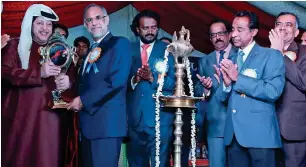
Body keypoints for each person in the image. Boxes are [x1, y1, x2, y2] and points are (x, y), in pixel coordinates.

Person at [1, 4, 78, 167]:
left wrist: (68, 82)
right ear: (30, 24)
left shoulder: (59, 49)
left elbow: (73, 77)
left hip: (51, 121)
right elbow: (5, 73)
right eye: (40, 23)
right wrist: (39, 73)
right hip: (21, 120)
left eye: (49, 24)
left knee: (48, 158)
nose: (45, 28)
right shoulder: (14, 45)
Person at [217, 11, 285, 167]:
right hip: (233, 137)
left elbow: (273, 91)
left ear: (253, 32)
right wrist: (226, 85)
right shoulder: (231, 60)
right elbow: (221, 99)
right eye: (232, 29)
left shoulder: (271, 55)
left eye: (239, 30)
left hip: (260, 137)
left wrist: (237, 79)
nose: (233, 34)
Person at [67, 4, 132, 167]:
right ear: (85, 25)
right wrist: (69, 83)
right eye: (89, 20)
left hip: (106, 126)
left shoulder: (120, 44)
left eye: (98, 18)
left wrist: (83, 100)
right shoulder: (90, 51)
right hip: (87, 126)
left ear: (107, 19)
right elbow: (87, 84)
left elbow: (115, 82)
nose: (94, 22)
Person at [126, 10, 175, 167]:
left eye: (153, 27)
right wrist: (135, 79)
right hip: (134, 119)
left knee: (159, 163)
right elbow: (118, 82)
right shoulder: (128, 49)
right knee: (136, 163)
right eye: (145, 28)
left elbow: (175, 83)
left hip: (160, 118)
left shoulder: (168, 50)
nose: (150, 31)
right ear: (137, 29)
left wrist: (153, 78)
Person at [195, 19, 237, 167]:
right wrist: (205, 89)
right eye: (213, 35)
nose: (217, 37)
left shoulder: (242, 55)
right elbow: (197, 90)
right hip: (215, 123)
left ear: (229, 34)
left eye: (220, 33)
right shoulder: (205, 61)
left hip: (239, 121)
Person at [269, 12, 306, 167]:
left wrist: (280, 55)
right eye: (279, 24)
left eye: (288, 24)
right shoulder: (263, 53)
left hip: (293, 129)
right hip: (266, 129)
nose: (283, 27)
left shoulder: (304, 53)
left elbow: (304, 82)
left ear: (297, 32)